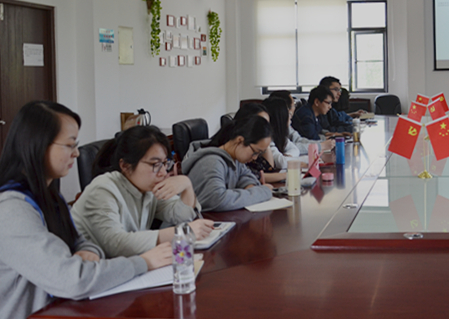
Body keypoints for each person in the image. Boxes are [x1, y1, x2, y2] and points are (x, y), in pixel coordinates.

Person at [0, 101, 171, 319]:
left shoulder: (50, 196)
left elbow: (80, 241)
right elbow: (71, 279)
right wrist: (144, 262)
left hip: (64, 308)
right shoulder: (11, 210)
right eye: (69, 145)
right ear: (39, 145)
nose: (77, 154)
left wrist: (90, 252)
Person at [71, 126, 214, 258]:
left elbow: (181, 216)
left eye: (165, 163)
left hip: (126, 265)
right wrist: (180, 232)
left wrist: (186, 185)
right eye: (155, 164)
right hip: (92, 268)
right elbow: (116, 244)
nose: (163, 172)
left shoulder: (147, 187)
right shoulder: (103, 189)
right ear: (125, 165)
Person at [182, 115, 274, 211]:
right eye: (255, 152)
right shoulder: (211, 162)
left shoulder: (235, 159)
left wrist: (250, 188)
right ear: (240, 140)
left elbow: (247, 177)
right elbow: (217, 200)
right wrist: (262, 192)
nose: (255, 157)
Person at [268, 90, 334, 155]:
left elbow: (298, 139)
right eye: (294, 104)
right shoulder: (305, 116)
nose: (295, 107)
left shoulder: (286, 124)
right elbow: (292, 147)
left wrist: (323, 143)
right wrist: (320, 146)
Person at [262, 96, 300, 171]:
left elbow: (295, 149)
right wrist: (300, 161)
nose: (290, 118)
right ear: (280, 119)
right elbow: (281, 163)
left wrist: (287, 156)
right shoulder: (266, 137)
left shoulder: (279, 135)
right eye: (287, 114)